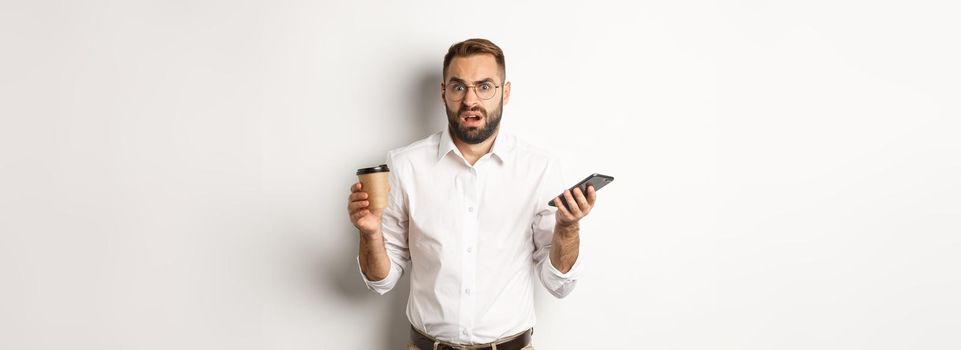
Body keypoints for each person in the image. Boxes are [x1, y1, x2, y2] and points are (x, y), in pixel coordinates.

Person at [347, 38, 598, 350]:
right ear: (443, 93)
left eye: (484, 86)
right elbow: (381, 282)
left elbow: (559, 284)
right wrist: (369, 233)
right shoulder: (405, 165)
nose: (470, 100)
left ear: (505, 92)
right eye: (458, 87)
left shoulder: (539, 168)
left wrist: (568, 227)